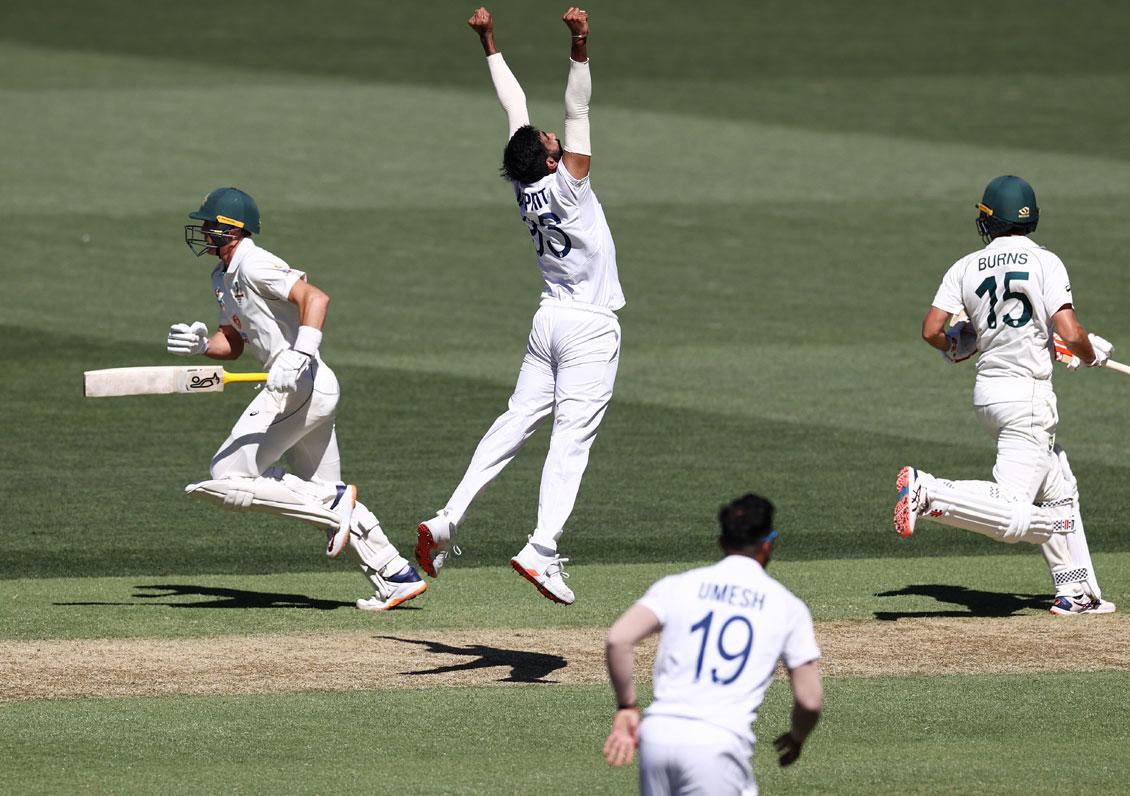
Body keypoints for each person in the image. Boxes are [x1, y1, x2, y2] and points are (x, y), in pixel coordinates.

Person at [415, 6, 624, 606]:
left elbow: (515, 110)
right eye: (550, 141)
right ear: (553, 160)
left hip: (548, 321)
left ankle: (450, 517)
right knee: (570, 441)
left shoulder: (525, 183)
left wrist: (490, 43)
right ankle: (543, 547)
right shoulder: (569, 182)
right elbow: (577, 108)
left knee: (515, 421)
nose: (551, 135)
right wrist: (580, 44)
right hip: (587, 326)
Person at [172, 186, 425, 611]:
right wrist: (203, 344)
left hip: (297, 386)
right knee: (320, 488)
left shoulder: (255, 263)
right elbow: (232, 342)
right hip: (305, 389)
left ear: (231, 229)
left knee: (227, 470)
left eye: (209, 225)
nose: (202, 232)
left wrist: (300, 352)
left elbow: (315, 298)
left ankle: (331, 505)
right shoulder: (222, 276)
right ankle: (395, 572)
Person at [894, 175, 1116, 615]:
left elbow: (932, 330)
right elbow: (1069, 332)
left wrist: (957, 346)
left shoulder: (965, 267)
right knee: (1015, 511)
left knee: (1059, 488)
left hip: (989, 396)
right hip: (1028, 399)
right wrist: (1087, 355)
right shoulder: (1046, 262)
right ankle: (930, 493)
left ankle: (1077, 591)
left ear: (988, 219)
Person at [603, 495, 823, 795]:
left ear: (721, 542)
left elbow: (618, 639)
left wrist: (627, 706)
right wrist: (797, 736)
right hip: (717, 744)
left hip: (657, 736)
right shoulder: (788, 607)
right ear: (769, 542)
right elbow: (810, 701)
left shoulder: (677, 585)